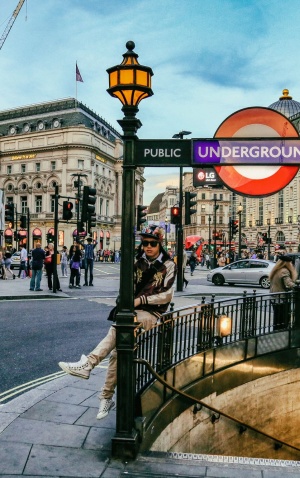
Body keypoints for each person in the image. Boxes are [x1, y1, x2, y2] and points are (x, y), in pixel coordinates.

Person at [58, 225, 177, 420]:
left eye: (152, 244)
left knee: (121, 327)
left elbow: (167, 295)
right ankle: (106, 396)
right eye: (145, 243)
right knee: (117, 353)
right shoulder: (137, 262)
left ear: (160, 244)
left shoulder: (169, 265)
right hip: (133, 311)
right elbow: (127, 285)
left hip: (151, 313)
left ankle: (88, 364)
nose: (148, 247)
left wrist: (141, 300)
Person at [269, 254, 297, 330]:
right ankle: (281, 333)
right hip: (281, 298)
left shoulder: (276, 270)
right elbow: (288, 283)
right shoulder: (284, 271)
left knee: (277, 318)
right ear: (286, 263)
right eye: (290, 263)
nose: (291, 265)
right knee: (283, 319)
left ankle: (276, 332)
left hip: (274, 297)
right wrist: (295, 286)